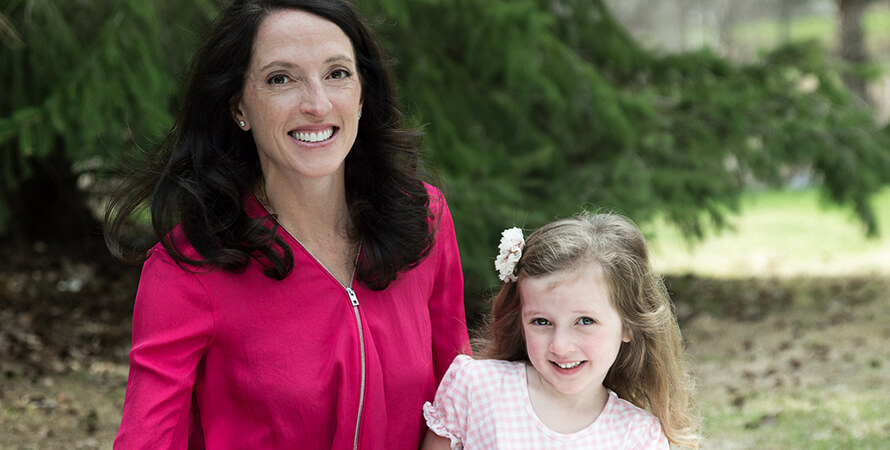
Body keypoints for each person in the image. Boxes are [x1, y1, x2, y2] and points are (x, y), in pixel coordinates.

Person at [103, 0, 470, 448]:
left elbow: (459, 403)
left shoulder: (422, 219)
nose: (317, 104)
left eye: (337, 73)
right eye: (281, 79)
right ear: (239, 106)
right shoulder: (188, 269)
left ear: (361, 94)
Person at [421, 212, 699, 449]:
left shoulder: (639, 436)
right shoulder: (476, 388)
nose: (560, 345)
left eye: (585, 321)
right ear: (520, 319)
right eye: (541, 322)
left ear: (629, 324)